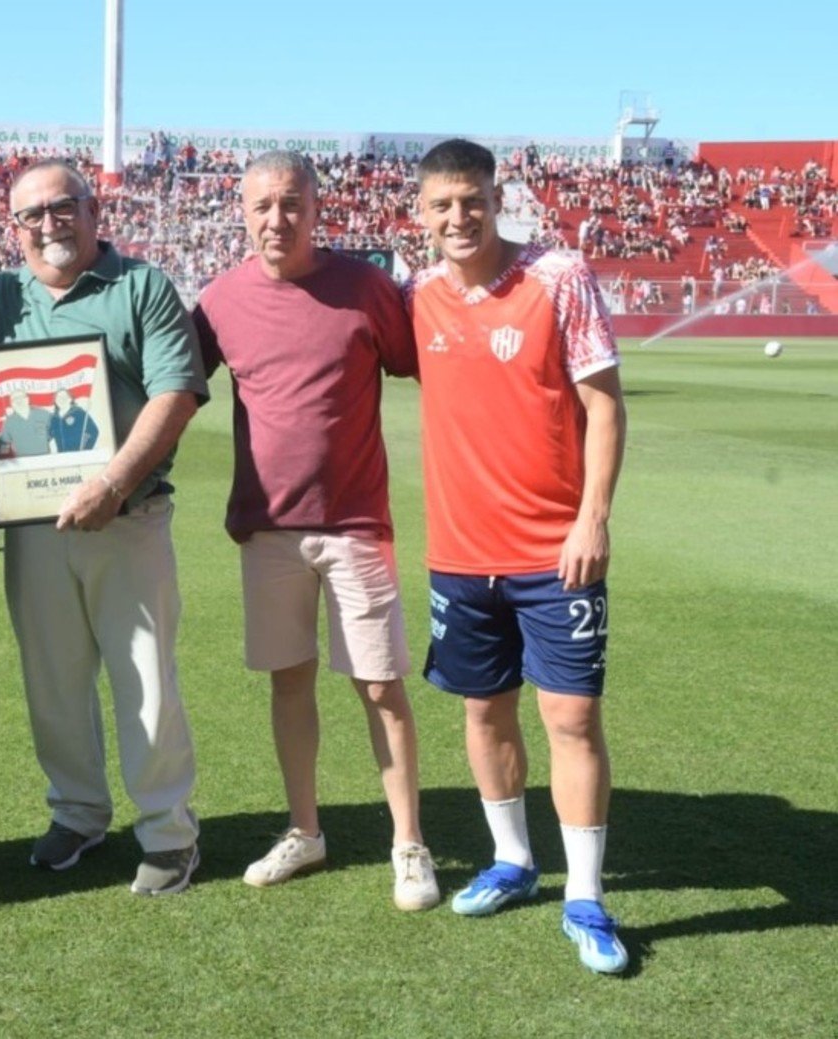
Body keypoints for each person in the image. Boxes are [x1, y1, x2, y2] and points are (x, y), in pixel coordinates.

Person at [192, 150, 439, 911]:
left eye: (291, 203)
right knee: (288, 680)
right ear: (241, 211)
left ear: (315, 206)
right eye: (263, 205)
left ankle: (409, 843)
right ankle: (306, 829)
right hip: (267, 529)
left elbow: (431, 364)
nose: (277, 218)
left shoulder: (364, 289)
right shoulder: (218, 300)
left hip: (355, 525)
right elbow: (168, 385)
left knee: (378, 684)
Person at [407, 139, 629, 973]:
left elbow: (602, 407)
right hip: (460, 554)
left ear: (494, 199)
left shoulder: (558, 276)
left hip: (553, 550)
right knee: (481, 710)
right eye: (440, 205)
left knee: (570, 715)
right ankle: (512, 859)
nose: (457, 218)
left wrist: (591, 520)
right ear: (419, 213)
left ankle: (585, 895)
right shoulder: (417, 294)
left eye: (470, 200)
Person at [0, 160, 207, 896]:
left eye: (62, 206)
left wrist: (112, 481)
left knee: (144, 679)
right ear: (9, 228)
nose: (49, 223)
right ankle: (76, 812)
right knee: (51, 678)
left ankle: (168, 831)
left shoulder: (140, 285)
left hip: (127, 516)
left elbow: (176, 391)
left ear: (91, 207)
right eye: (31, 214)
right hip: (35, 524)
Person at [0, 390, 51, 458]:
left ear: (27, 399)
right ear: (11, 404)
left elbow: (54, 436)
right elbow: (4, 445)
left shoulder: (43, 414)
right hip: (24, 463)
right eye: (14, 399)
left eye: (20, 397)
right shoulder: (9, 422)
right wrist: (3, 461)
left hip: (46, 460)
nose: (18, 401)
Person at [46, 387, 99, 452]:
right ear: (55, 401)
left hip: (78, 455)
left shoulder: (79, 413)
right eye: (58, 398)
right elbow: (46, 437)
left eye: (64, 397)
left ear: (70, 399)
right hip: (62, 457)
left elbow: (93, 431)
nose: (61, 400)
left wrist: (85, 449)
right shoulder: (53, 418)